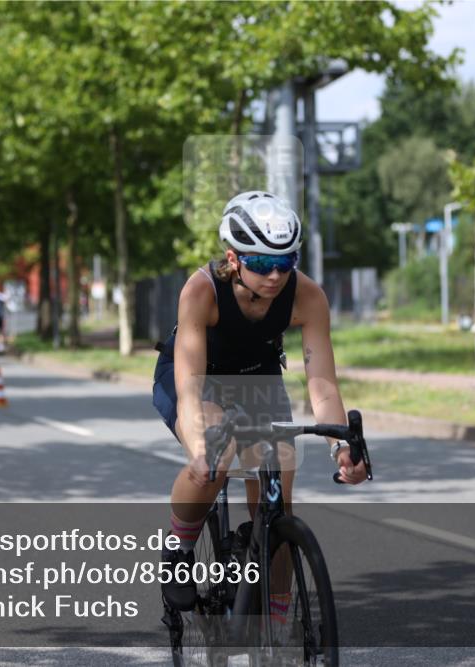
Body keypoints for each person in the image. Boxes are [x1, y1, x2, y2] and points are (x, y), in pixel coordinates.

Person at [152, 190, 368, 612]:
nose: (275, 276)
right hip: (196, 377)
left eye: (286, 262)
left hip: (258, 378)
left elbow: (322, 385)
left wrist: (340, 447)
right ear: (233, 259)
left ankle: (277, 618)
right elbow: (191, 385)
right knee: (217, 450)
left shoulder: (307, 297)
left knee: (277, 502)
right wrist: (199, 449)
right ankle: (178, 550)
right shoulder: (202, 291)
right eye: (263, 263)